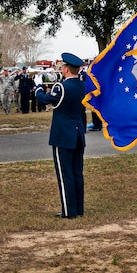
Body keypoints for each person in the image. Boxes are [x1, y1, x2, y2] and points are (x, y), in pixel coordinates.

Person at [35, 53, 86, 219]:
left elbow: (45, 100)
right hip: (78, 133)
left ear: (65, 69)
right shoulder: (83, 85)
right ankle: (78, 208)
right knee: (77, 172)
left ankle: (68, 211)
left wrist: (38, 87)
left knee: (65, 174)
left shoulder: (62, 87)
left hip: (63, 135)